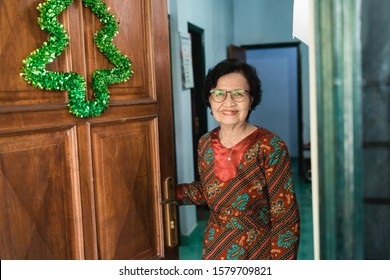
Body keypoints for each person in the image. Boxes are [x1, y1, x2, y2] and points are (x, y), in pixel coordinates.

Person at [175, 58, 300, 260]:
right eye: (219, 94)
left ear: (251, 100)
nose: (228, 102)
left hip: (257, 249)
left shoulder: (271, 146)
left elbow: (285, 218)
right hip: (216, 246)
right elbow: (209, 191)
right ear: (210, 99)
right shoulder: (205, 143)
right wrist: (168, 193)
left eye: (239, 94)